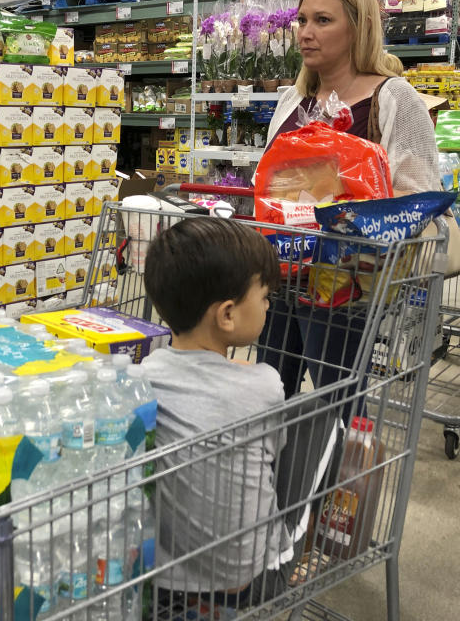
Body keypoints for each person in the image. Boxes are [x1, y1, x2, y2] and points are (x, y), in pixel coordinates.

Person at [141, 216, 339, 620]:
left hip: (157, 577)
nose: (269, 305)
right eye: (264, 296)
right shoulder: (265, 385)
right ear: (227, 315)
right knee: (325, 416)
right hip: (247, 581)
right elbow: (276, 459)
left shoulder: (143, 377)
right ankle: (311, 543)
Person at [262, 0, 440, 402]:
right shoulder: (292, 100)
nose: (306, 33)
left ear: (359, 28)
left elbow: (418, 197)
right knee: (267, 390)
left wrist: (349, 211)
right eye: (301, 21)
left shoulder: (395, 99)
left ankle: (334, 467)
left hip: (347, 284)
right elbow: (267, 181)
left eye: (322, 21)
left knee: (337, 398)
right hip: (280, 270)